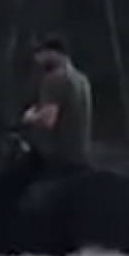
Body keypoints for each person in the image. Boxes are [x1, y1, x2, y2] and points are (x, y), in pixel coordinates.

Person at [18, 32, 94, 187]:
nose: (38, 59)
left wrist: (30, 116)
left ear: (53, 53)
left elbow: (48, 121)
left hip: (58, 162)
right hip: (82, 157)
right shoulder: (81, 79)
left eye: (41, 53)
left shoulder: (53, 80)